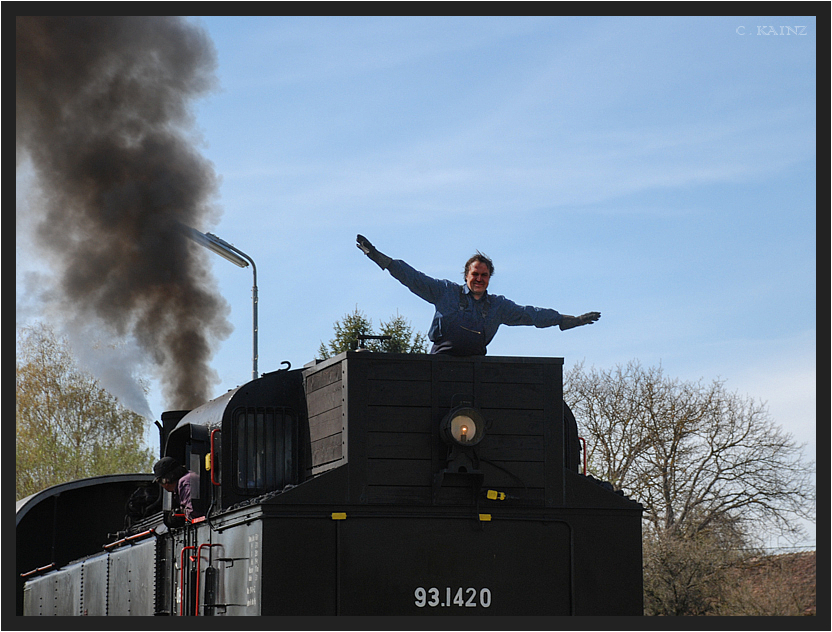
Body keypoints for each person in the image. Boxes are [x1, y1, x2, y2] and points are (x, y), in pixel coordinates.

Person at [356, 234, 600, 356]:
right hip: (439, 365)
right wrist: (380, 258)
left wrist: (568, 320)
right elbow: (412, 277)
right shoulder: (444, 292)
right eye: (475, 274)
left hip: (475, 369)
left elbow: (531, 315)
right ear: (466, 275)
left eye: (484, 275)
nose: (479, 279)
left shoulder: (498, 307)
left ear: (489, 278)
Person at [152, 456, 203, 521]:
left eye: (159, 482)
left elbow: (193, 512)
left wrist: (180, 514)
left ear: (165, 480)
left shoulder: (184, 482)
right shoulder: (188, 478)